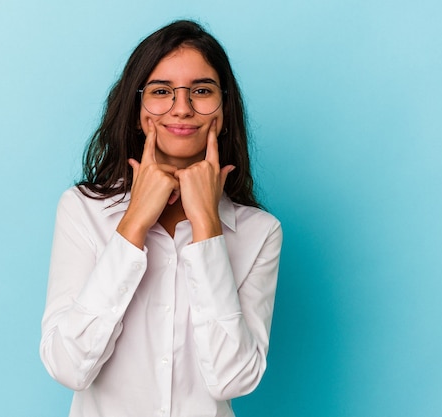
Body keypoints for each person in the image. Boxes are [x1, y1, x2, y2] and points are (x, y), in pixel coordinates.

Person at [40, 19, 283, 417]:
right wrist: (133, 224)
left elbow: (233, 378)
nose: (182, 108)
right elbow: (68, 366)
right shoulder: (83, 210)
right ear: (138, 111)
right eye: (161, 91)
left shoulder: (259, 233)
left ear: (223, 109)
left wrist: (208, 230)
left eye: (202, 91)